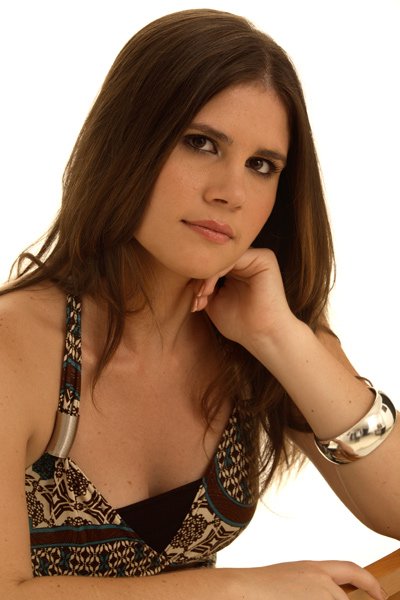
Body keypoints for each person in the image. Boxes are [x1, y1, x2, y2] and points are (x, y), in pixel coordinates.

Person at [0, 8, 397, 599]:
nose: (230, 192)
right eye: (201, 143)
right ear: (126, 143)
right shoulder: (15, 347)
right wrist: (237, 591)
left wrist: (279, 337)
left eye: (261, 166)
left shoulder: (262, 334)